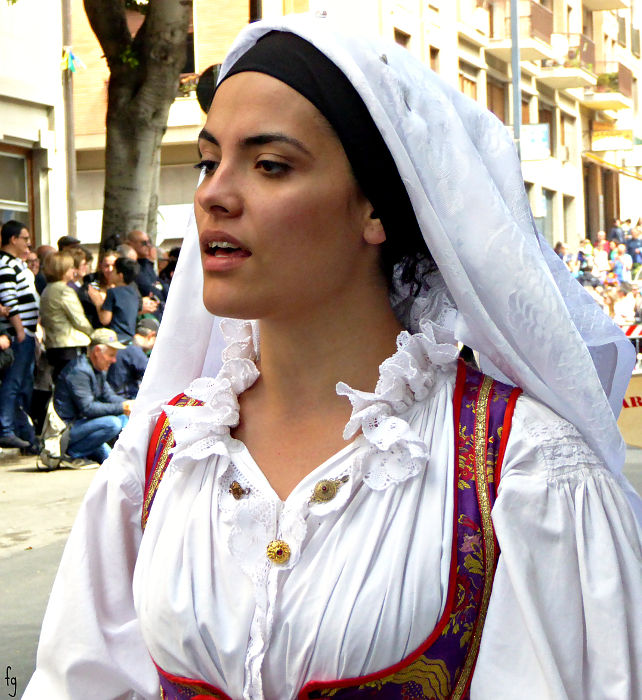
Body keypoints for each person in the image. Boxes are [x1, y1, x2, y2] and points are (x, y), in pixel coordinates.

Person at [25, 16, 642, 700]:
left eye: (270, 165)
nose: (212, 194)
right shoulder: (166, 454)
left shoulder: (520, 470)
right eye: (209, 160)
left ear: (374, 209)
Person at [52, 328, 132, 464]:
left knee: (112, 459)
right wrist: (122, 407)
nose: (114, 360)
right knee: (113, 423)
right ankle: (73, 453)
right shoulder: (79, 371)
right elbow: (88, 408)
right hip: (67, 430)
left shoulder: (98, 368)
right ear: (97, 352)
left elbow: (109, 396)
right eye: (111, 355)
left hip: (85, 426)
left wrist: (131, 403)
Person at [0, 220, 39, 450]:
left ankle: (21, 430)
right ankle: (6, 429)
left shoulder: (17, 263)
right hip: (19, 334)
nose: (28, 242)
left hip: (28, 332)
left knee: (23, 384)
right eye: (24, 238)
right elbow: (9, 299)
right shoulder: (5, 264)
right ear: (13, 239)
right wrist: (20, 331)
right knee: (13, 383)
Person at [39, 251, 93, 381]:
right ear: (62, 270)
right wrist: (93, 334)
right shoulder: (64, 290)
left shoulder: (47, 289)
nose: (73, 270)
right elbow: (79, 320)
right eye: (70, 267)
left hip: (54, 345)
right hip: (70, 345)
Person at [90, 256, 141, 343]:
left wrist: (97, 301)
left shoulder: (112, 292)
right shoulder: (134, 292)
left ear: (120, 276)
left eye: (113, 271)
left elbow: (105, 320)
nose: (110, 272)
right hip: (130, 337)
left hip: (115, 338)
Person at [106, 319, 157, 398]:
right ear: (151, 335)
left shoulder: (126, 342)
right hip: (124, 398)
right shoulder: (134, 350)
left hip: (114, 394)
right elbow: (153, 375)